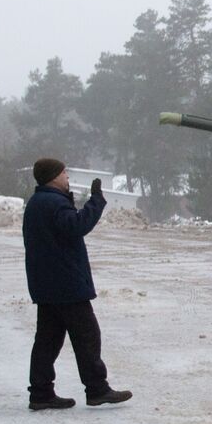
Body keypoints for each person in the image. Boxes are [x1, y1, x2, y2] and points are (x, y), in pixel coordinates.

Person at [22, 159, 132, 410]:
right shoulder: (54, 203)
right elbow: (77, 226)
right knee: (87, 335)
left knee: (47, 341)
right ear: (53, 177)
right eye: (64, 173)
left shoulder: (37, 203)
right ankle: (97, 389)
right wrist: (96, 201)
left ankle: (40, 393)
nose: (67, 177)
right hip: (66, 284)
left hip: (47, 284)